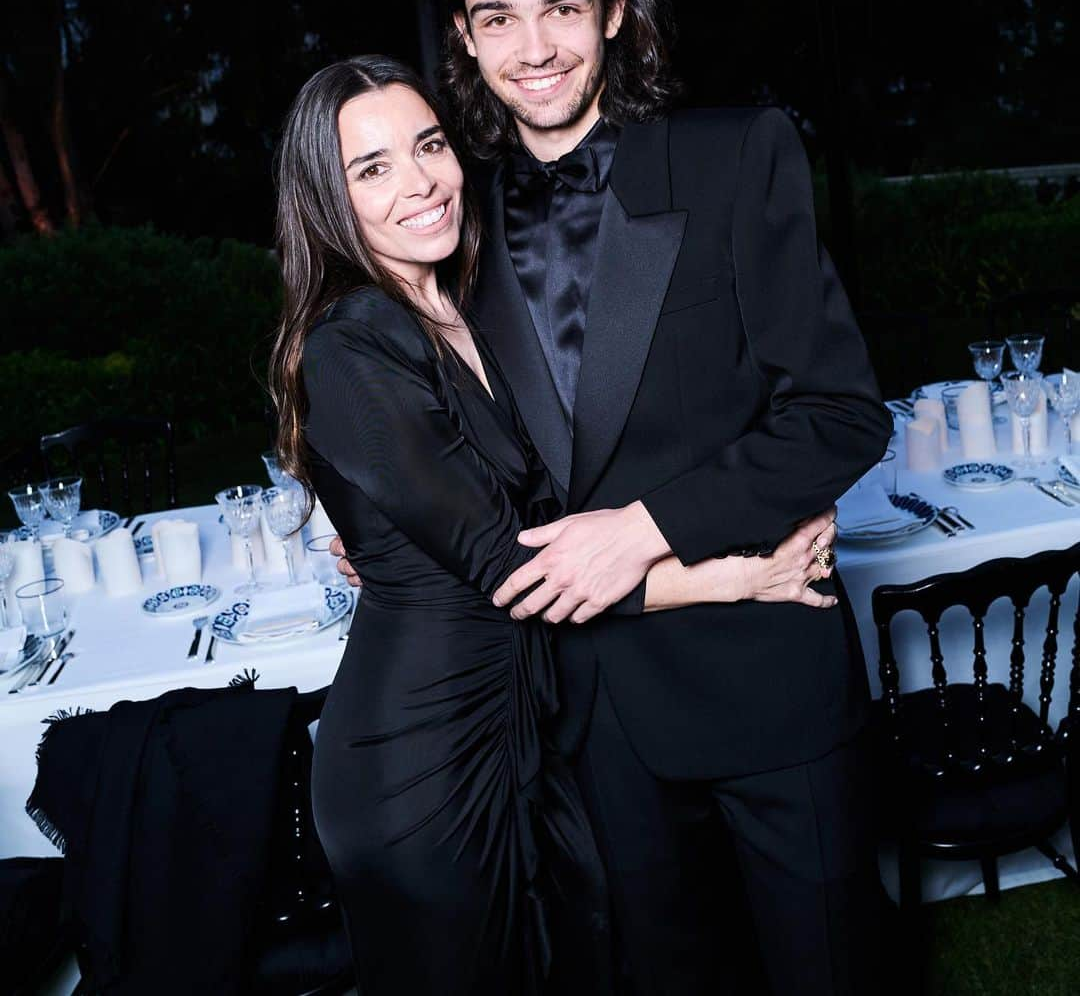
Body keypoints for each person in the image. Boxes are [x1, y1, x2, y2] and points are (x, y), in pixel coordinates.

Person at [331, 0, 894, 995]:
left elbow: (841, 414)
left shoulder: (739, 157)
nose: (534, 47)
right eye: (498, 16)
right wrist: (344, 497)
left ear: (615, 13)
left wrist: (648, 528)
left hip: (766, 685)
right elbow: (393, 395)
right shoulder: (450, 212)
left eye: (563, 8)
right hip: (585, 728)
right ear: (464, 37)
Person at [268, 55, 837, 996]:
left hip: (522, 724)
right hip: (424, 759)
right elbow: (516, 567)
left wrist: (395, 538)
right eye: (372, 169)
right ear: (325, 201)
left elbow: (518, 504)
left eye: (429, 146)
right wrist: (735, 574)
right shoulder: (353, 340)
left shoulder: (453, 306)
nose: (419, 183)